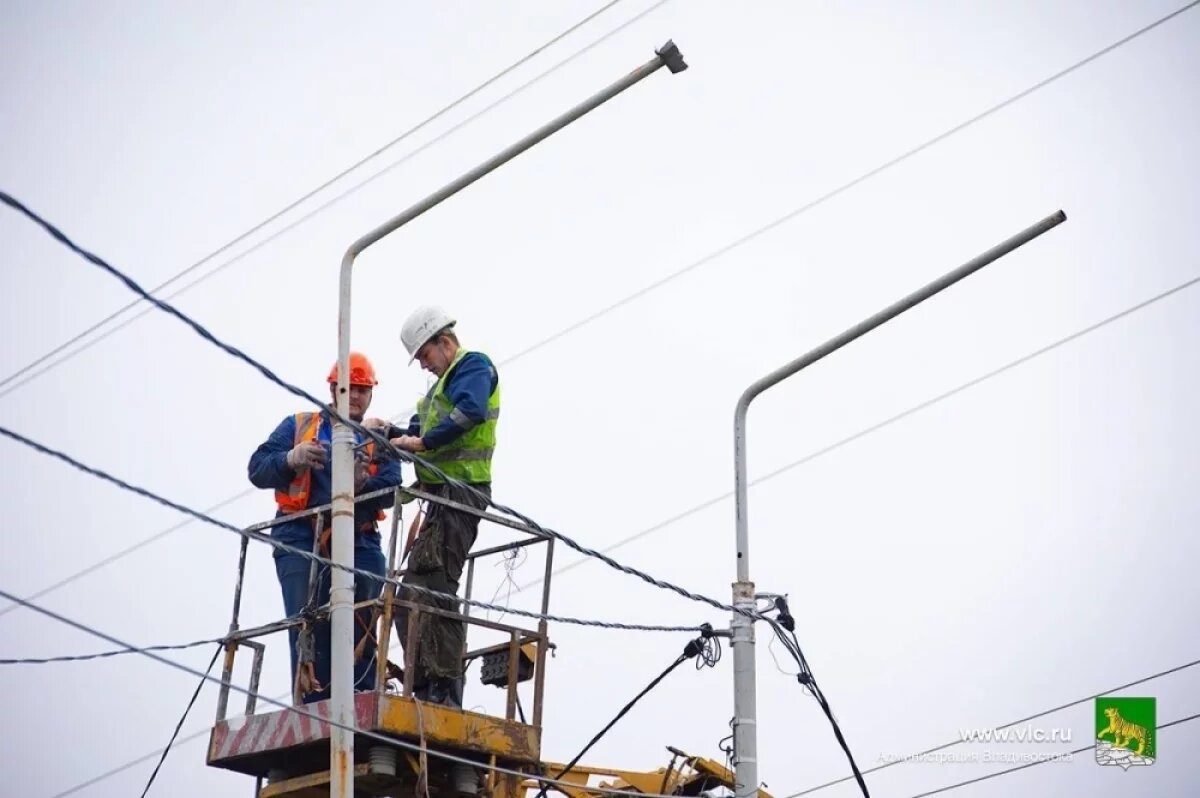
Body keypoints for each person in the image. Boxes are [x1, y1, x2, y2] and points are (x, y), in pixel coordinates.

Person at [247, 352, 402, 704]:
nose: (357, 397)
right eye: (349, 389)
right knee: (306, 616)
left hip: (358, 535)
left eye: (363, 390)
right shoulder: (299, 426)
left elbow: (392, 486)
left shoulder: (378, 436)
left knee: (364, 607)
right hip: (299, 534)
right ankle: (312, 697)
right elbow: (257, 468)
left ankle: (359, 691)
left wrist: (362, 486)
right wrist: (292, 458)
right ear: (333, 390)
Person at [365, 306, 499, 708]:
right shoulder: (439, 392)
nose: (424, 365)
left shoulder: (473, 368)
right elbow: (419, 436)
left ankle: (444, 689)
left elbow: (470, 412)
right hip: (441, 498)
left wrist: (423, 443)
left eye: (424, 355)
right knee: (412, 595)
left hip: (461, 494)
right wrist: (389, 433)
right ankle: (426, 685)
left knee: (435, 590)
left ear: (444, 342)